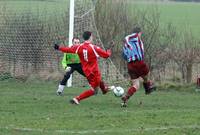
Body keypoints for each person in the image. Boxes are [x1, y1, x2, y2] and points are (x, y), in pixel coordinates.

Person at [54, 31, 112, 104]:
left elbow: (68, 50)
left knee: (98, 83)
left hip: (86, 72)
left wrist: (59, 48)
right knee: (94, 90)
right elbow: (106, 55)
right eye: (92, 36)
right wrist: (109, 51)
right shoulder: (94, 47)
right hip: (94, 72)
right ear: (90, 37)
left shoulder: (79, 47)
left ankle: (105, 90)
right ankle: (77, 99)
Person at [121, 27, 156, 107]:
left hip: (130, 65)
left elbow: (124, 55)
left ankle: (126, 97)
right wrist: (128, 42)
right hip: (138, 62)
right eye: (141, 34)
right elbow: (126, 38)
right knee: (147, 74)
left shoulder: (125, 46)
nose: (141, 35)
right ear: (139, 33)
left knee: (136, 85)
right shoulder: (135, 36)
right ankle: (148, 88)